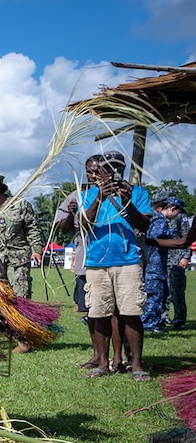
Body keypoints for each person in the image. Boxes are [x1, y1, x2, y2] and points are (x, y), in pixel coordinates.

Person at [78, 151, 152, 381]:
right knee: (99, 313)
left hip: (128, 260)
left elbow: (143, 224)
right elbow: (83, 222)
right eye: (107, 168)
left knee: (131, 313)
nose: (111, 172)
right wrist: (100, 197)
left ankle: (137, 364)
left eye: (116, 168)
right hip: (97, 262)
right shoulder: (90, 194)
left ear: (123, 169)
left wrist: (127, 202)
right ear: (100, 170)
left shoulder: (138, 193)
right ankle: (102, 363)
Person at [53, 157, 124, 371]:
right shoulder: (77, 196)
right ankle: (98, 355)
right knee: (92, 312)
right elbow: (62, 230)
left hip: (116, 258)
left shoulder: (122, 193)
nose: (93, 175)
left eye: (97, 171)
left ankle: (119, 357)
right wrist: (72, 213)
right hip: (87, 260)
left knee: (116, 312)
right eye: (89, 171)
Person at [0, 171, 45, 352]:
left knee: (21, 298)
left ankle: (24, 340)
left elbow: (33, 229)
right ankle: (0, 335)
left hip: (18, 260)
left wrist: (37, 250)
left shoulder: (20, 205)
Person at [141, 195, 182, 333]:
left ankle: (151, 322)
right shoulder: (160, 220)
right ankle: (149, 323)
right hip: (155, 263)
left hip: (156, 262)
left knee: (158, 293)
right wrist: (172, 234)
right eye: (177, 212)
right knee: (155, 294)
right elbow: (155, 235)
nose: (177, 216)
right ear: (172, 209)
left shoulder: (157, 219)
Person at [165, 200, 191, 328]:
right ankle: (163, 317)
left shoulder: (181, 217)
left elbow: (187, 237)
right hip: (164, 258)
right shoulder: (162, 216)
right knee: (164, 291)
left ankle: (179, 320)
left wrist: (185, 256)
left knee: (177, 291)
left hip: (177, 259)